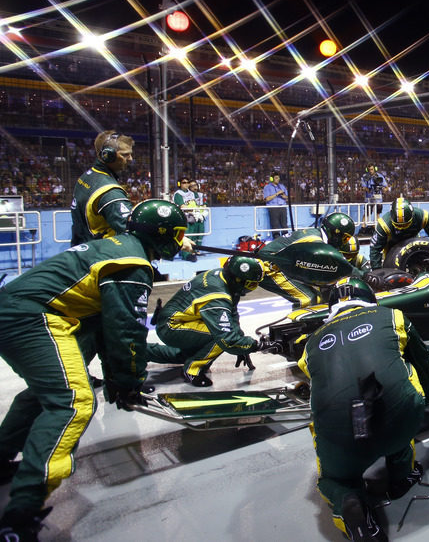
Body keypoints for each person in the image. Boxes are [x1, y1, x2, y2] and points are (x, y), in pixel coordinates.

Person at [0, 199, 186, 539]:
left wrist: (118, 375)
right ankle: (19, 515)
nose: (181, 239)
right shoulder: (133, 264)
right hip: (32, 316)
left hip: (15, 308)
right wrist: (130, 379)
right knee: (74, 401)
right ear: (162, 234)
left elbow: (103, 326)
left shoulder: (118, 247)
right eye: (178, 233)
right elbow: (124, 330)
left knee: (43, 395)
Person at [298, 277, 429, 542]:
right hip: (398, 417)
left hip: (341, 434)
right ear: (370, 298)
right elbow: (423, 362)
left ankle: (348, 499)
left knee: (332, 480)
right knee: (402, 396)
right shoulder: (392, 316)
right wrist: (425, 399)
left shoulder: (310, 345)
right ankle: (402, 478)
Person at [148, 255, 272, 386]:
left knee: (189, 355)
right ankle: (193, 370)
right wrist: (255, 346)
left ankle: (140, 350)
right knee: (220, 338)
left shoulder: (222, 277)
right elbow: (228, 339)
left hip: (176, 320)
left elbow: (232, 315)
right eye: (252, 284)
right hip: (172, 326)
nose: (252, 288)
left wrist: (242, 347)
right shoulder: (218, 295)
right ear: (238, 279)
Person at [258, 213, 363, 308]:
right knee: (307, 299)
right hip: (270, 266)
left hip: (280, 265)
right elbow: (339, 265)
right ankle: (301, 328)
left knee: (318, 296)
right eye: (345, 238)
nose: (344, 243)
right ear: (336, 233)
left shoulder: (316, 235)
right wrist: (363, 276)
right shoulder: (315, 241)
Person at [69, 130, 135, 245]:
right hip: (102, 255)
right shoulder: (110, 192)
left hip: (83, 250)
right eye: (125, 154)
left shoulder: (86, 177)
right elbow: (133, 230)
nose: (130, 159)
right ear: (107, 156)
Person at [369, 197, 429, 270]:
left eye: (405, 225)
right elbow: (375, 249)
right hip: (392, 249)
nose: (403, 228)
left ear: (412, 215)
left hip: (414, 245)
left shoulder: (423, 216)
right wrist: (377, 270)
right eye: (399, 226)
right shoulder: (383, 224)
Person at [173, 177, 206, 260]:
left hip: (193, 216)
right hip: (184, 217)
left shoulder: (191, 193)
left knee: (193, 236)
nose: (186, 184)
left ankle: (193, 252)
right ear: (179, 184)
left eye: (187, 182)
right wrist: (193, 208)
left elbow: (197, 203)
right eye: (184, 182)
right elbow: (182, 206)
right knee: (186, 236)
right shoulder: (178, 194)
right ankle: (186, 255)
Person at [263, 171, 289, 237]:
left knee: (284, 225)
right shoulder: (267, 187)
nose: (278, 179)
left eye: (278, 178)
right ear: (272, 179)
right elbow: (267, 199)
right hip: (273, 207)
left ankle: (286, 239)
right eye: (276, 178)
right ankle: (276, 240)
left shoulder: (282, 186)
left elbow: (287, 198)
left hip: (282, 207)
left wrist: (284, 196)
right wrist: (277, 194)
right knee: (275, 225)